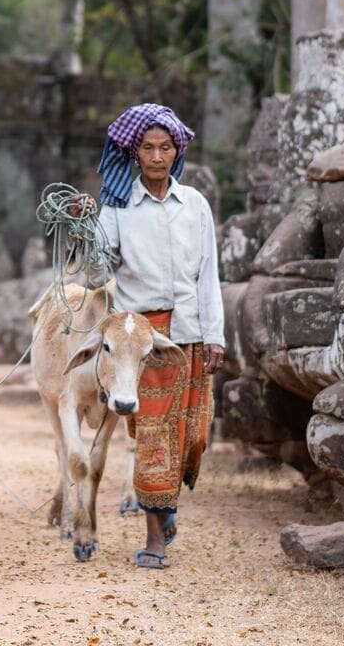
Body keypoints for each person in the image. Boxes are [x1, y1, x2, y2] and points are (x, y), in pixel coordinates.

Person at [82, 103, 226, 570]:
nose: (157, 156)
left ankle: (165, 509)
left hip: (191, 333)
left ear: (176, 151)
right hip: (139, 340)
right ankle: (154, 537)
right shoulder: (117, 207)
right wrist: (88, 232)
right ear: (134, 152)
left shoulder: (196, 206)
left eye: (165, 147)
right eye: (148, 147)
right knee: (153, 436)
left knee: (193, 436)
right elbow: (95, 274)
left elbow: (209, 276)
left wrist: (215, 336)